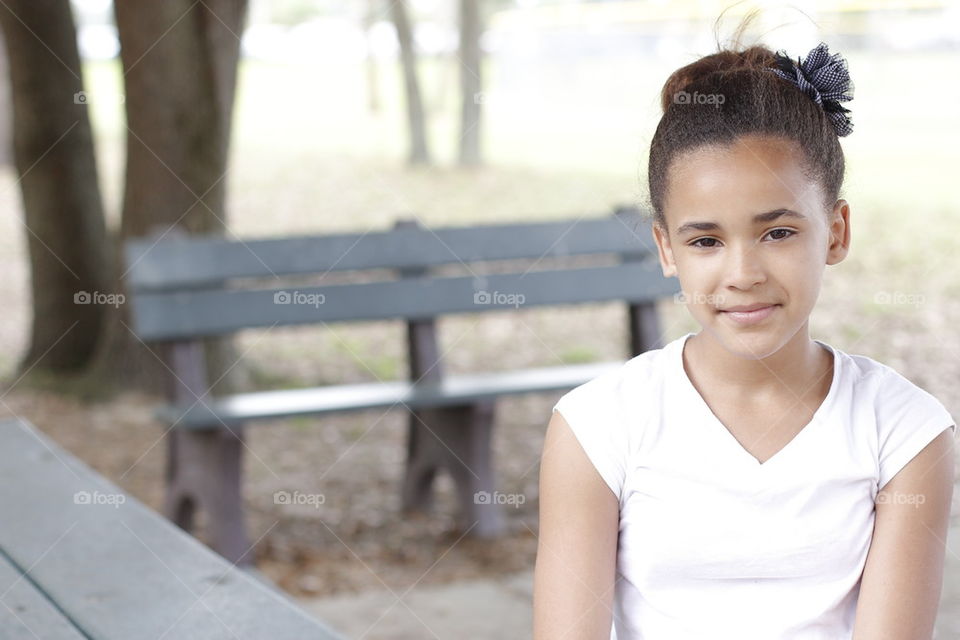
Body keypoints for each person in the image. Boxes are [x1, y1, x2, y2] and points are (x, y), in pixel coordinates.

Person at [532, 17, 956, 640]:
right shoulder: (598, 427)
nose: (743, 274)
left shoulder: (906, 431)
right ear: (667, 250)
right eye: (705, 240)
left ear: (836, 231)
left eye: (778, 232)